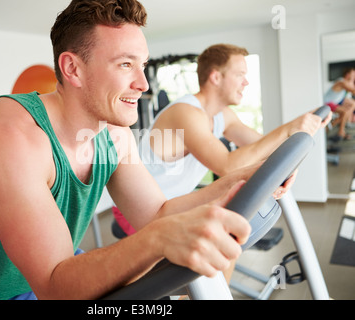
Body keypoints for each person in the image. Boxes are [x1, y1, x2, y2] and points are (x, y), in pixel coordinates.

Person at [0, 0, 258, 300]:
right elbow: (54, 285)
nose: (143, 83)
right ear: (73, 69)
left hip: (51, 274)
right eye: (126, 64)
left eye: (142, 65)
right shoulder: (11, 136)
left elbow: (156, 212)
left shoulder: (113, 131)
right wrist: (156, 240)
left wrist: (238, 180)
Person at [112, 43, 331, 281]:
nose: (246, 82)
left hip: (172, 204)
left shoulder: (221, 115)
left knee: (233, 224)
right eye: (240, 75)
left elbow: (263, 145)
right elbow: (226, 165)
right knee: (224, 232)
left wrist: (296, 132)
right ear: (216, 77)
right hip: (139, 211)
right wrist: (289, 129)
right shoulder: (185, 113)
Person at [323, 67, 355, 141]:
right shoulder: (342, 82)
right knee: (344, 112)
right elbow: (353, 90)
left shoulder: (347, 83)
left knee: (352, 105)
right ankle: (340, 132)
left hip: (335, 103)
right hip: (327, 104)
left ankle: (332, 128)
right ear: (347, 75)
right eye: (353, 74)